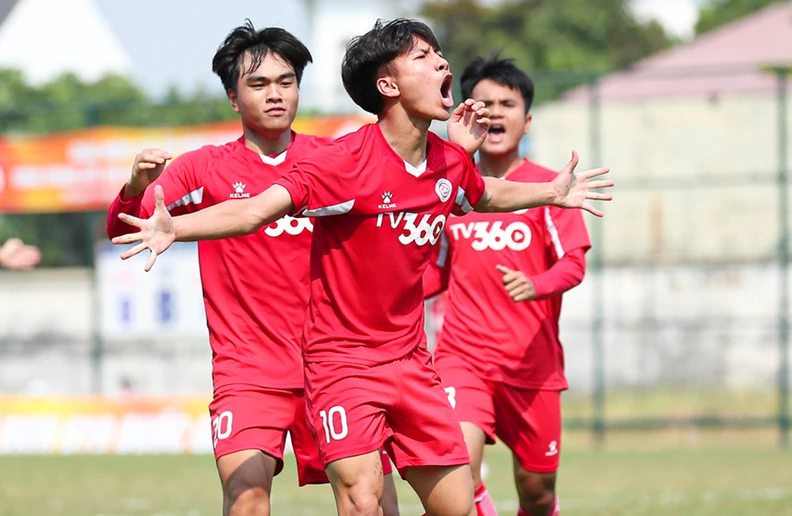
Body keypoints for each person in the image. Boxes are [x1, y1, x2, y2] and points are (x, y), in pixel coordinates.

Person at [112, 19, 613, 516]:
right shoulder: (330, 162)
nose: (442, 63)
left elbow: (479, 194)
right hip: (314, 366)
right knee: (323, 498)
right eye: (423, 57)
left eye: (287, 81)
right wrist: (169, 221)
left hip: (405, 362)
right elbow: (249, 211)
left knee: (453, 505)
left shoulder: (431, 160)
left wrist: (552, 192)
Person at [106, 22, 399, 516]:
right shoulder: (203, 168)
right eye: (259, 84)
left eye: (286, 82)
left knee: (367, 503)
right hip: (249, 371)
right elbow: (123, 229)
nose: (276, 94)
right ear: (232, 97)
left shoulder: (332, 160)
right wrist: (137, 187)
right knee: (247, 499)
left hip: (336, 366)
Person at [424, 54, 591, 516]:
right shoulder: (450, 187)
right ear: (465, 113)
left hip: (531, 367)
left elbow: (574, 265)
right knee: (460, 470)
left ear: (527, 117)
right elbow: (434, 270)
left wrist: (535, 285)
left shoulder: (548, 188)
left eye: (507, 103)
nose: (495, 112)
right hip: (463, 359)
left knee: (536, 494)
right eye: (484, 102)